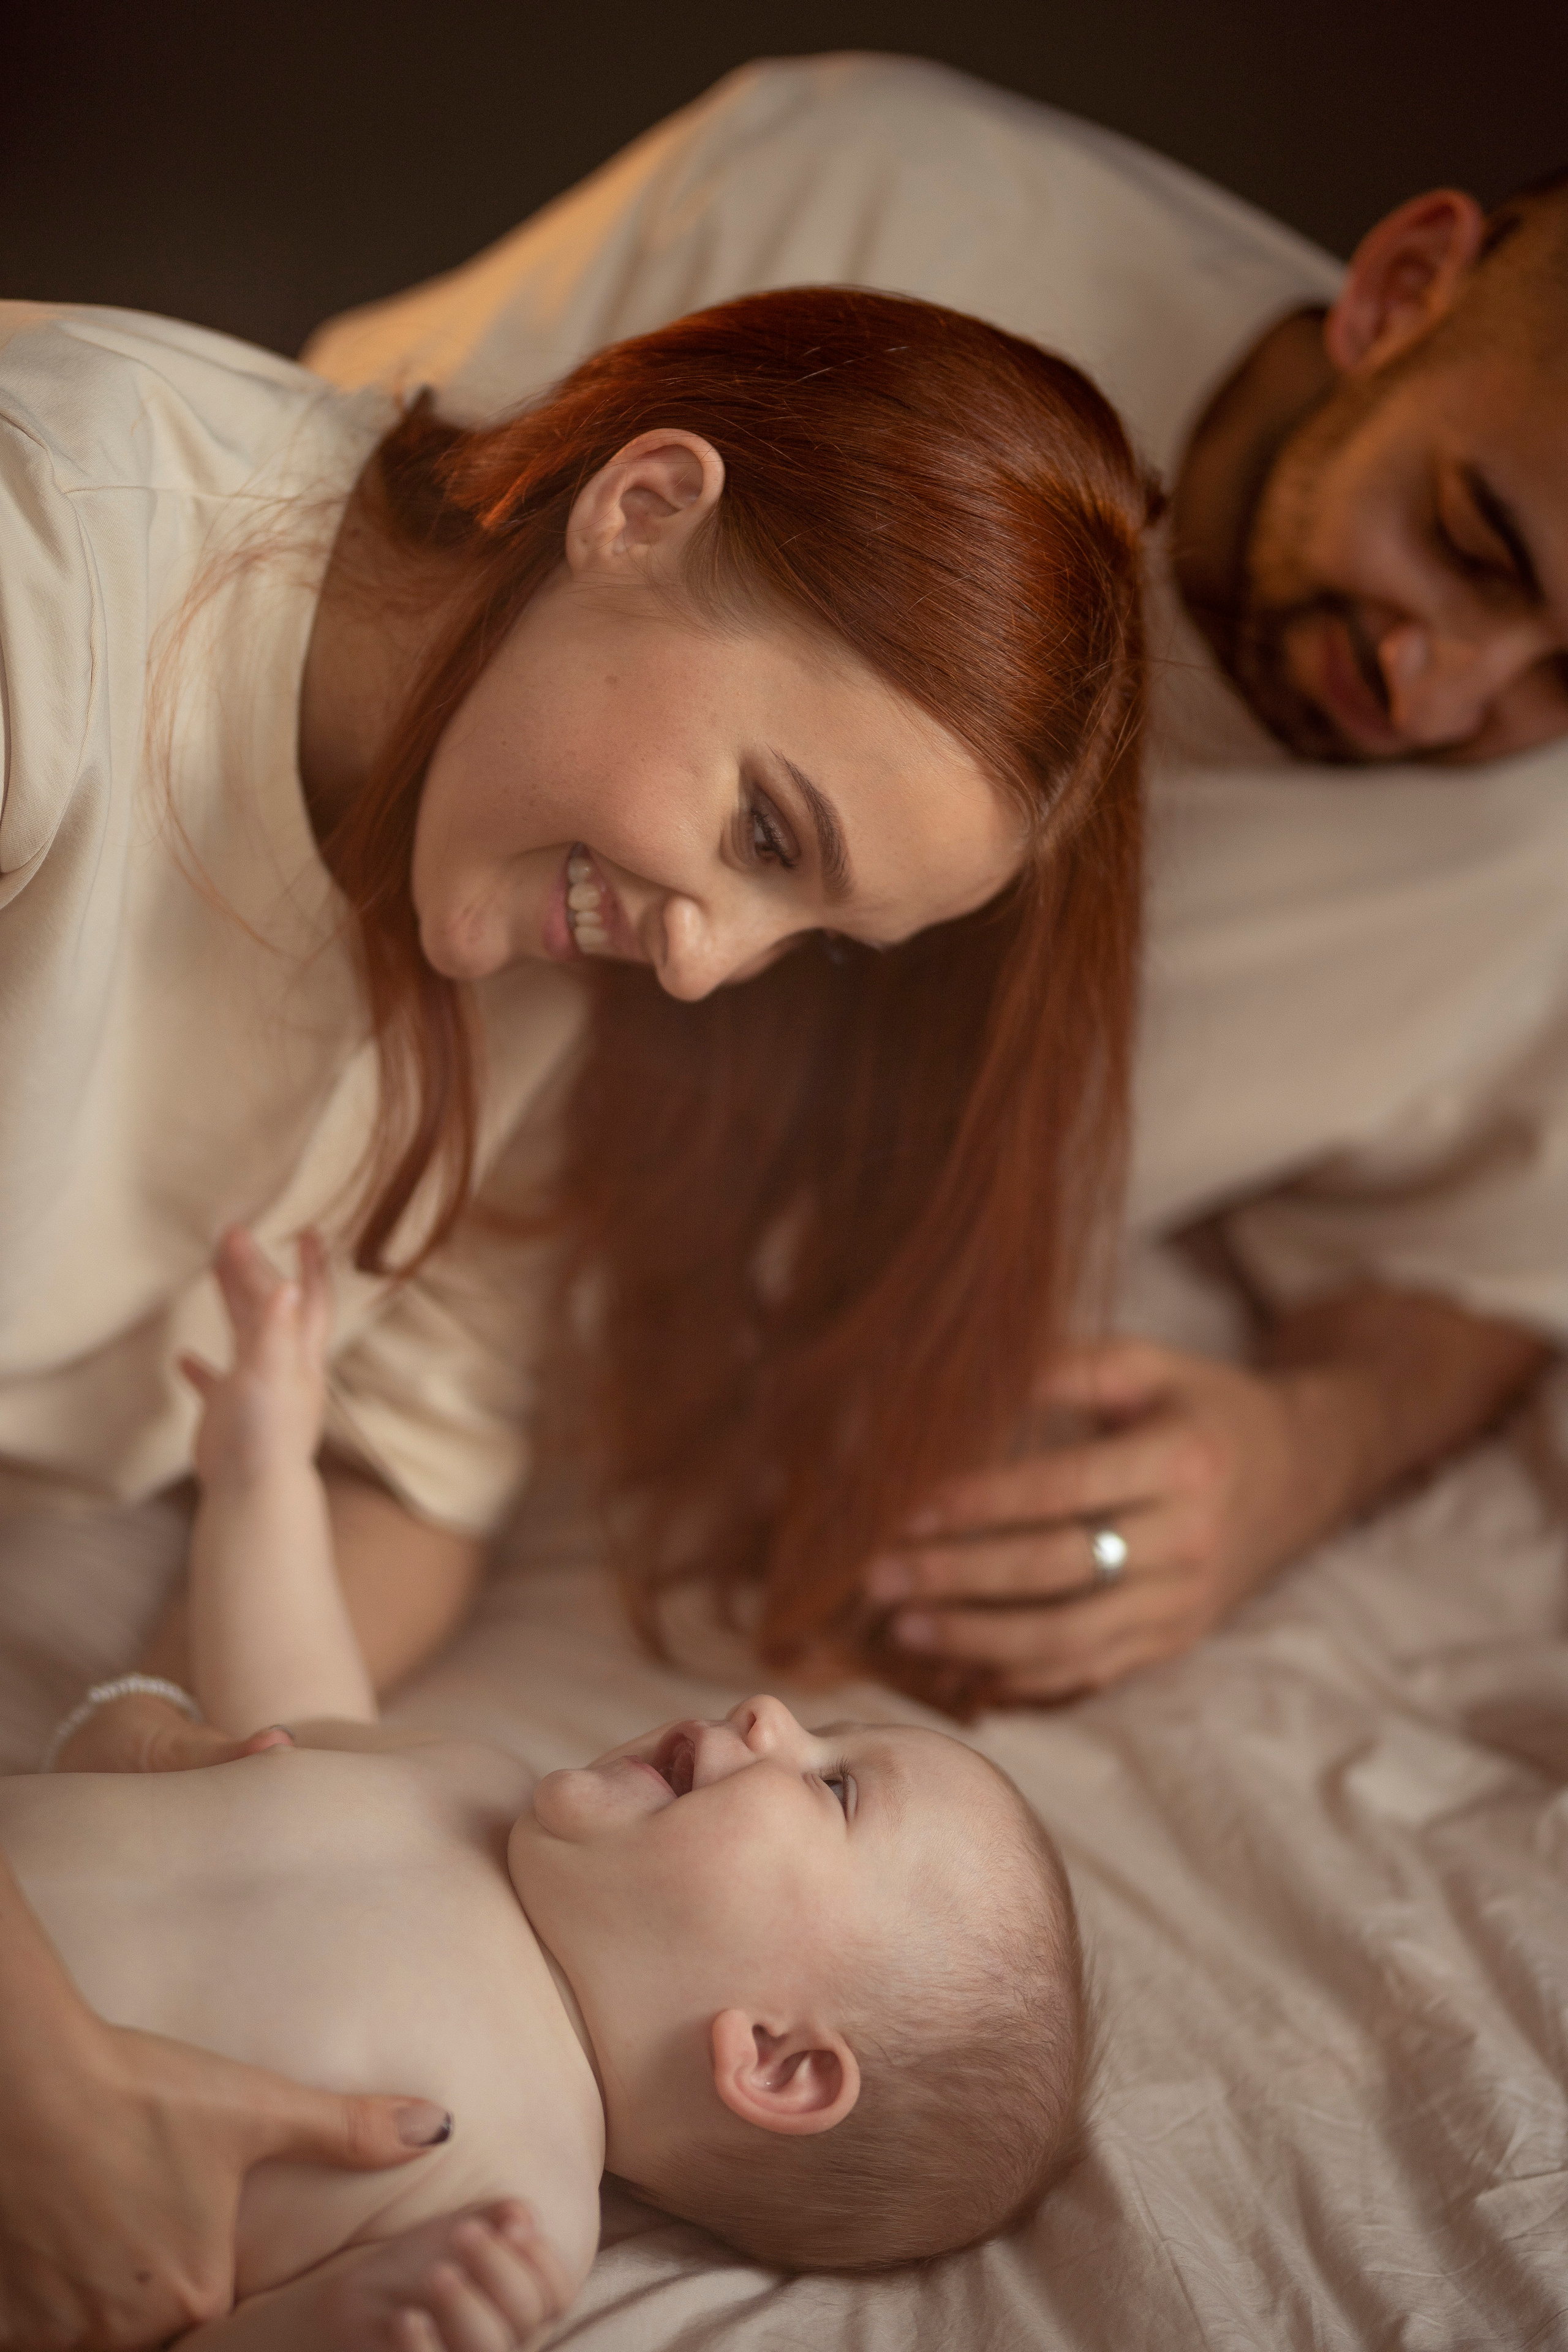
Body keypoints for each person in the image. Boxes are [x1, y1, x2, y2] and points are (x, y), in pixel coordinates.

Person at [0, 279, 1143, 2337]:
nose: (711, 970)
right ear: (645, 505)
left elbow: (408, 1493)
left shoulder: (541, 922)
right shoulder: (51, 552)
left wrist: (213, 1697)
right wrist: (44, 2074)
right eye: (768, 827)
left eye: (811, 933)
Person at [305, 51, 1568, 1705]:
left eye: (1565, 684)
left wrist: (1303, 1452)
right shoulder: (862, 201)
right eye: (1469, 543)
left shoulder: (1538, 869)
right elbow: (331, 557)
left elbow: (1496, 1254)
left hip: (487, 1413)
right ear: (1400, 292)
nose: (1446, 690)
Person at [8, 1228, 1085, 2348]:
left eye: (836, 1790)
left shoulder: (508, 2201)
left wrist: (332, 2320)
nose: (771, 1716)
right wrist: (263, 1477)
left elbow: (152, 2303)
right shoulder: (474, 1783)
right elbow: (286, 1708)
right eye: (829, 1731)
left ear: (775, 2059)